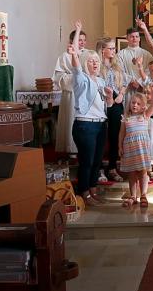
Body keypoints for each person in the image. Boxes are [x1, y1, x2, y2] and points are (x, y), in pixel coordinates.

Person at [68, 21, 113, 207]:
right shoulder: (81, 79)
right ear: (86, 64)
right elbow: (76, 62)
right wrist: (78, 31)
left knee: (97, 161)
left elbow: (107, 105)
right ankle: (83, 192)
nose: (95, 64)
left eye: (96, 61)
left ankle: (93, 189)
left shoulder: (101, 81)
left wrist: (110, 98)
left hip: (100, 124)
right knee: (86, 161)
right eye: (91, 61)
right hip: (85, 125)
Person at [52, 26, 90, 155]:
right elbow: (58, 76)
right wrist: (75, 78)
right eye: (79, 40)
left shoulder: (88, 54)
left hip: (85, 93)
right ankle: (71, 149)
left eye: (84, 40)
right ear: (72, 41)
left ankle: (84, 148)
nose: (82, 42)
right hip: (71, 94)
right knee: (71, 120)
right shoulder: (65, 56)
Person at [96, 38, 129, 183]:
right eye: (111, 48)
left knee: (115, 135)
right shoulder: (97, 64)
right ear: (102, 50)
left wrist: (121, 94)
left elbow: (125, 82)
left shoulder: (117, 64)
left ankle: (112, 167)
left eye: (114, 48)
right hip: (102, 101)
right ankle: (99, 169)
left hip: (117, 101)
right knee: (101, 135)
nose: (114, 51)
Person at [118, 93, 153, 207]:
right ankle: (133, 196)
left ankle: (143, 194)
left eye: (138, 103)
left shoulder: (144, 116)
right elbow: (122, 133)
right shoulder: (126, 118)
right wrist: (119, 147)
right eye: (133, 102)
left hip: (141, 149)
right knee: (132, 172)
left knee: (143, 171)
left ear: (143, 106)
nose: (135, 105)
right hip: (130, 148)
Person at [118, 26, 153, 97]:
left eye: (136, 36)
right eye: (132, 36)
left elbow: (150, 70)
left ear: (139, 38)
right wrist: (131, 81)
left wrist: (139, 82)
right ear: (127, 38)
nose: (134, 39)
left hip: (143, 88)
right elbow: (119, 70)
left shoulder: (147, 54)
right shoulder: (121, 54)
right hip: (127, 88)